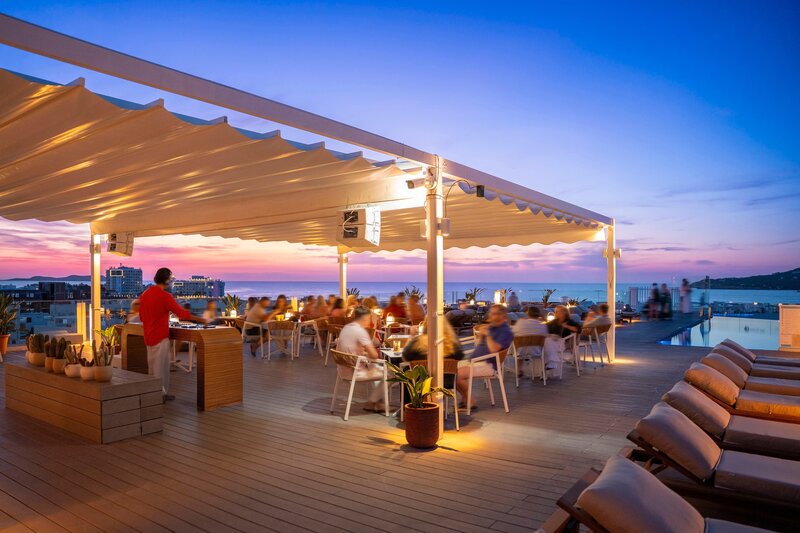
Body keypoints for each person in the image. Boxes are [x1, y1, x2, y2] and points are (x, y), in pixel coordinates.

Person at [139, 267, 206, 401]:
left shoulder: (145, 294)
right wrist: (201, 319)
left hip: (148, 336)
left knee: (152, 368)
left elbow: (141, 316)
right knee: (161, 369)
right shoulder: (165, 296)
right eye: (171, 279)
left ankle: (154, 394)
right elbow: (181, 313)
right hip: (160, 337)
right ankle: (160, 395)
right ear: (167, 280)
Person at [456, 304, 513, 408]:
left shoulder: (505, 331)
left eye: (493, 313)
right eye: (490, 313)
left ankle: (470, 401)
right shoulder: (492, 327)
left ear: (502, 316)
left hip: (488, 364)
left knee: (458, 375)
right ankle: (466, 398)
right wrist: (481, 334)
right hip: (476, 361)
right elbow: (482, 345)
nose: (490, 315)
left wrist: (487, 334)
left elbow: (494, 349)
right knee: (450, 371)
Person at [336, 306, 385, 412]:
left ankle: (377, 402)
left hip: (342, 370)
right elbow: (374, 355)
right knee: (390, 374)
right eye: (369, 319)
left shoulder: (346, 328)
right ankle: (372, 402)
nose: (370, 322)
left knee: (374, 367)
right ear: (365, 318)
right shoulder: (360, 331)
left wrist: (363, 353)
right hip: (355, 372)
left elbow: (349, 349)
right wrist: (368, 353)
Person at [402, 320, 464, 389]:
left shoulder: (418, 342)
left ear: (426, 326)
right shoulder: (452, 343)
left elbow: (405, 357)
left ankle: (410, 396)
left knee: (406, 370)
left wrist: (411, 336)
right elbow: (460, 356)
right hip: (446, 382)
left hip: (421, 383)